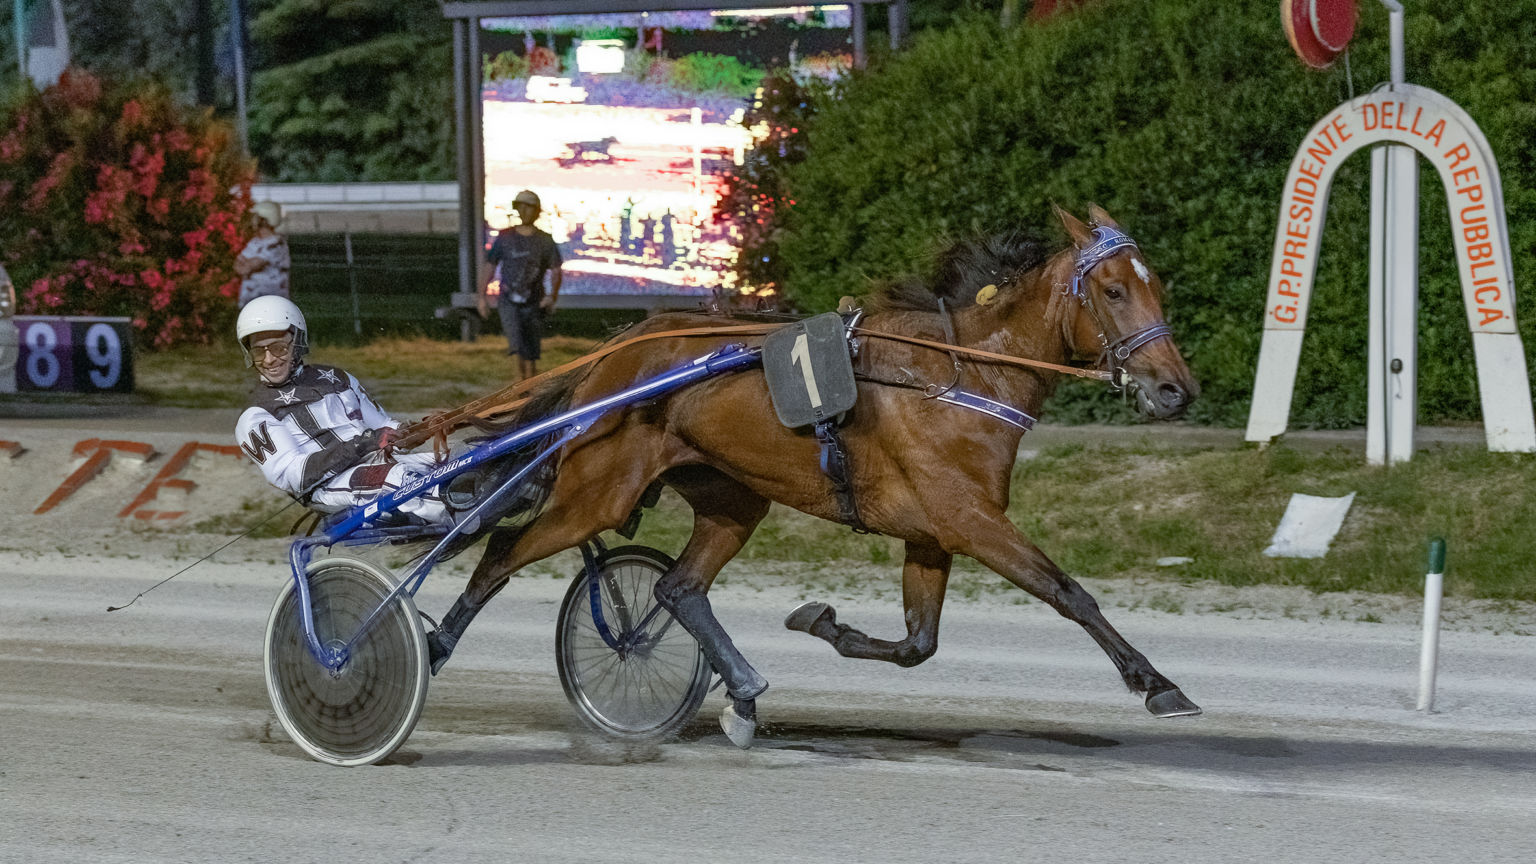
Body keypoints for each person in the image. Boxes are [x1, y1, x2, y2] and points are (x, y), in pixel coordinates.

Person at [234, 296, 450, 525]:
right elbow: (294, 477)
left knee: (451, 460)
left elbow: (384, 428)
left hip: (377, 465)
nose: (269, 360)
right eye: (259, 351)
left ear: (297, 341)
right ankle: (459, 516)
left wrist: (422, 429)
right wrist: (363, 444)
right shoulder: (255, 416)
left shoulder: (337, 379)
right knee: (400, 478)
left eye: (278, 348)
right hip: (328, 487)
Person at [484, 189, 562, 381]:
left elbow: (556, 270)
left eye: (529, 207)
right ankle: (520, 385)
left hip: (534, 300)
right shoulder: (505, 238)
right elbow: (490, 266)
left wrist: (551, 297)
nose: (525, 211)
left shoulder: (544, 240)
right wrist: (481, 296)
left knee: (531, 348)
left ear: (536, 211)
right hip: (508, 299)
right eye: (522, 207)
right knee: (516, 344)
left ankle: (529, 387)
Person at [235, 201, 291, 309]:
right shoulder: (255, 241)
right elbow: (238, 264)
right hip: (250, 299)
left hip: (271, 301)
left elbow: (248, 267)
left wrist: (246, 264)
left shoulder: (276, 244)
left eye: (255, 217)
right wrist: (246, 264)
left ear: (264, 220)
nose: (252, 220)